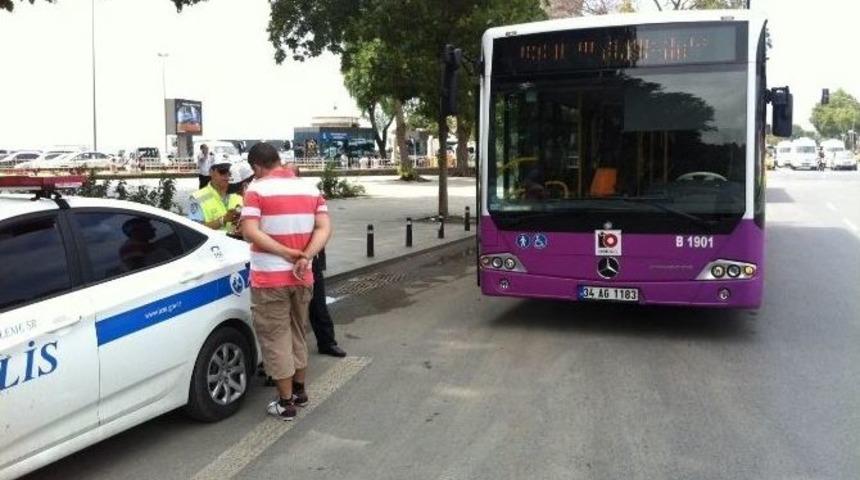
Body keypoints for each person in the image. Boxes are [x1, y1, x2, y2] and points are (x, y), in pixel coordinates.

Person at [241, 142, 331, 421]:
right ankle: (301, 391)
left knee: (275, 337)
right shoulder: (310, 189)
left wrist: (285, 252)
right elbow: (324, 227)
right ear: (279, 160)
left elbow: (249, 231)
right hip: (303, 275)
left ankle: (285, 401)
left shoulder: (256, 191)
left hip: (269, 279)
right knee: (297, 331)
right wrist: (306, 256)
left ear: (256, 166)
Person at [285, 163, 346, 358]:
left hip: (310, 258)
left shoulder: (310, 196)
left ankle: (327, 342)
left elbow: (322, 227)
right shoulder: (275, 196)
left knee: (318, 303)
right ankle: (286, 353)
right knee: (286, 311)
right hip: (284, 260)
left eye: (291, 177)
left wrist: (315, 255)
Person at [188, 160, 243, 231]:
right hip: (213, 242)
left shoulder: (238, 194)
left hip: (236, 241)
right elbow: (195, 229)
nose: (227, 175)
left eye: (229, 172)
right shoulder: (197, 197)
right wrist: (222, 220)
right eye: (222, 171)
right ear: (211, 172)